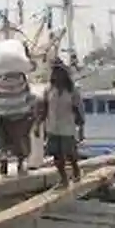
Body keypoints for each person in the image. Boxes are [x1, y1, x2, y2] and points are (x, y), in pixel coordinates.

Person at [35, 60, 84, 188]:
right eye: (54, 71)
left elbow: (78, 109)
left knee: (70, 154)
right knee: (57, 156)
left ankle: (76, 171)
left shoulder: (72, 91)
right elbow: (43, 109)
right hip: (53, 127)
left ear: (64, 74)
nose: (56, 74)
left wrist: (81, 128)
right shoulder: (49, 90)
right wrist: (38, 125)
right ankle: (63, 179)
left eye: (59, 72)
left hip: (67, 127)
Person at [0, 54, 36, 177]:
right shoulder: (21, 79)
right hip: (20, 114)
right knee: (22, 137)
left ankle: (3, 158)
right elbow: (27, 95)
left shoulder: (1, 80)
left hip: (4, 114)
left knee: (4, 140)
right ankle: (21, 162)